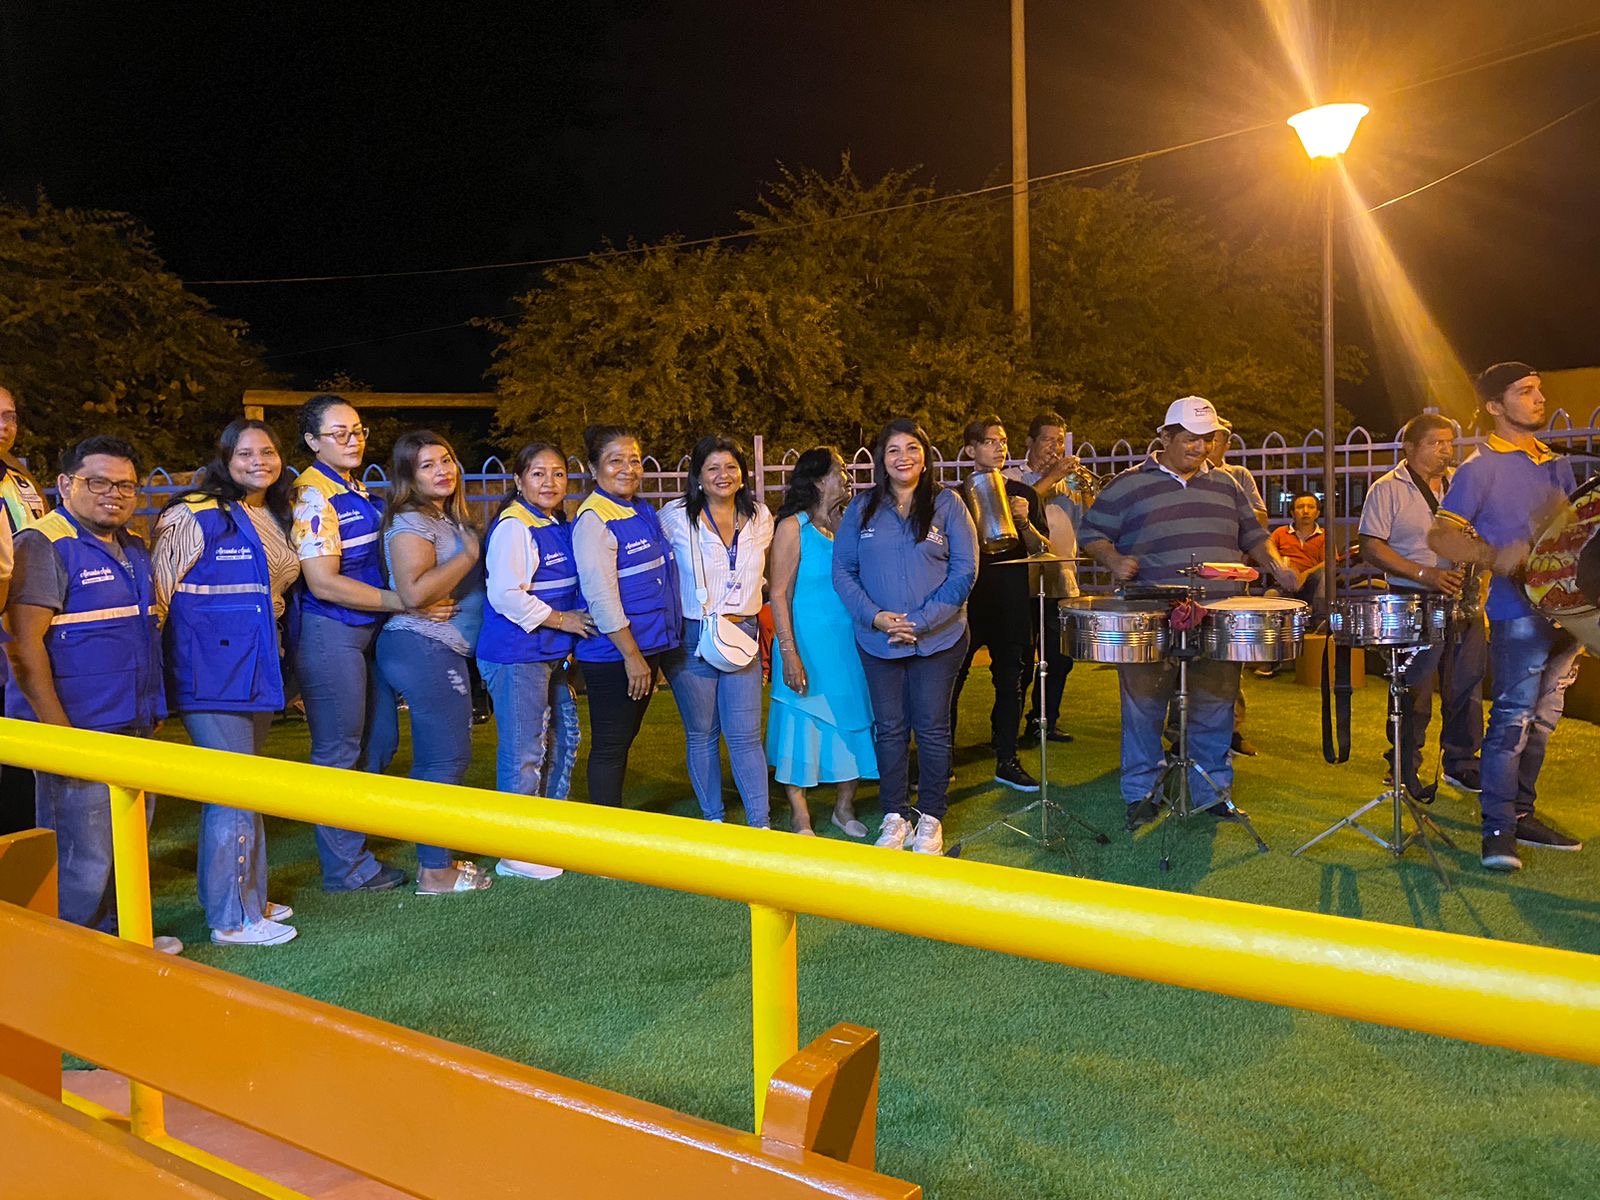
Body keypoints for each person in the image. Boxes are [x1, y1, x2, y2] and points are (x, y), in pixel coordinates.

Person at [1078, 397, 1298, 832]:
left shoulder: (1227, 484)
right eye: (1191, 439)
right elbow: (1091, 532)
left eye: (1207, 439)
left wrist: (1276, 565)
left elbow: (1253, 535)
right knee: (1143, 705)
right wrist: (1114, 560)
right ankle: (1141, 793)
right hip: (1149, 610)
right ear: (1165, 437)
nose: (1200, 448)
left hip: (1217, 610)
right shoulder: (1128, 483)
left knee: (1216, 702)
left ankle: (1212, 792)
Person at [3, 436, 182, 953]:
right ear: (65, 484)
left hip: (132, 720)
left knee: (125, 842)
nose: (114, 494)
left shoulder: (132, 545)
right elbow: (23, 646)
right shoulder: (44, 544)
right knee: (83, 855)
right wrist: (59, 734)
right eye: (98, 482)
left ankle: (120, 942)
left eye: (125, 485)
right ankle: (76, 957)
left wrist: (152, 706)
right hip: (79, 728)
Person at [152, 420, 303, 945]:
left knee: (242, 788)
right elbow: (159, 597)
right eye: (245, 453)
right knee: (233, 793)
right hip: (212, 673)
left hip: (255, 665)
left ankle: (245, 894)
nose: (259, 461)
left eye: (268, 451)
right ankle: (234, 918)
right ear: (224, 459)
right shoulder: (193, 514)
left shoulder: (269, 512)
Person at [1428, 363, 1583, 871]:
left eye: (1539, 389)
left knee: (1544, 719)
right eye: (1525, 391)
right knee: (1513, 720)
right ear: (1495, 406)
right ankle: (1497, 830)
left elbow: (1573, 533)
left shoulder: (1557, 464)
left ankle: (1521, 814)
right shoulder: (1480, 467)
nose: (1539, 398)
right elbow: (1441, 536)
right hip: (1516, 612)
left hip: (1569, 612)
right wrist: (1495, 557)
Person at [833, 418, 978, 855]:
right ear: (881, 459)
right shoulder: (862, 509)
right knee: (891, 730)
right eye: (893, 450)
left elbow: (964, 571)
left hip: (939, 639)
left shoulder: (948, 504)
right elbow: (843, 572)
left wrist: (921, 621)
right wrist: (877, 618)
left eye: (912, 448)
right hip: (878, 640)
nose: (903, 458)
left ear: (925, 456)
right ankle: (895, 814)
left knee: (932, 728)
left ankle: (931, 816)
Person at [290, 393, 412, 894]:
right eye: (338, 433)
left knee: (379, 740)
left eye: (357, 430)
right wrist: (403, 601)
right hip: (331, 631)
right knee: (338, 749)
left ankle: (352, 836)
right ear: (312, 441)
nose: (352, 440)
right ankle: (346, 868)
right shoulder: (311, 494)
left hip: (368, 632)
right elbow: (323, 582)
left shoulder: (353, 487)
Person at [368, 431, 493, 896]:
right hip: (422, 645)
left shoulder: (446, 517)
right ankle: (434, 872)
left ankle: (437, 857)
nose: (442, 470)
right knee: (444, 759)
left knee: (444, 757)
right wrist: (468, 555)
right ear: (408, 476)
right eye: (427, 465)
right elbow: (414, 592)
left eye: (446, 460)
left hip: (439, 646)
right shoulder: (409, 521)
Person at [478, 442, 594, 875]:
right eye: (538, 473)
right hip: (516, 655)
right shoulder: (515, 526)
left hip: (547, 654)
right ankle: (516, 852)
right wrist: (564, 621)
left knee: (564, 737)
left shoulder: (554, 522)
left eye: (558, 473)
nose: (550, 482)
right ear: (518, 480)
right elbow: (505, 595)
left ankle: (546, 831)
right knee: (523, 750)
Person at [1358, 412, 1485, 795]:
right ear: (1410, 448)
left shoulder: (1459, 484)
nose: (1446, 450)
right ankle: (1403, 765)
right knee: (1414, 688)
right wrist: (1424, 573)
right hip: (1413, 597)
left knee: (1467, 685)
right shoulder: (1387, 488)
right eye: (1436, 443)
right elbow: (1371, 546)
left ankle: (1462, 763)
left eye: (1449, 442)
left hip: (1462, 596)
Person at [660, 435, 775, 828]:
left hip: (742, 632)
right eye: (712, 468)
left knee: (745, 735)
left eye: (730, 467)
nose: (722, 475)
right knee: (702, 733)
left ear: (742, 474)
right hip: (693, 635)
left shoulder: (760, 517)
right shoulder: (675, 516)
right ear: (697, 476)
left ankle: (760, 824)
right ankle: (714, 820)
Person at [767, 447, 878, 836]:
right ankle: (800, 813)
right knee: (801, 723)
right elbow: (778, 593)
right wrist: (789, 653)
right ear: (817, 480)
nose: (847, 476)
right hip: (804, 644)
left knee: (852, 717)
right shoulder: (792, 528)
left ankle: (844, 808)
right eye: (840, 470)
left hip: (848, 644)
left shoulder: (850, 524)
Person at [571, 425, 682, 807]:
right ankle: (606, 830)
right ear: (593, 468)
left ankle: (613, 822)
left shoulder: (641, 509)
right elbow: (602, 598)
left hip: (645, 649)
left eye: (634, 460)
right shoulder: (594, 519)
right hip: (614, 655)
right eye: (615, 460)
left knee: (622, 739)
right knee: (610, 744)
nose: (627, 468)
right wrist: (632, 656)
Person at [950, 416, 1046, 791]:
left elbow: (1042, 550)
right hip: (967, 602)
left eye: (1003, 441)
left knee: (1012, 681)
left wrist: (1024, 523)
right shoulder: (952, 498)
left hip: (1010, 600)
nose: (1000, 448)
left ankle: (1006, 759)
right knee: (951, 680)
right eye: (991, 442)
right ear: (970, 449)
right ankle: (941, 760)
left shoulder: (1024, 494)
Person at [1003, 411, 1083, 745]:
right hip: (1021, 580)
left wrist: (1084, 490)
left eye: (1059, 441)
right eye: (1047, 440)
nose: (1054, 447)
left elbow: (1090, 523)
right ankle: (1006, 727)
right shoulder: (1011, 477)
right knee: (1020, 659)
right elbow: (1015, 509)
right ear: (1030, 442)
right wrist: (1052, 477)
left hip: (1061, 578)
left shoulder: (1069, 482)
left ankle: (1044, 721)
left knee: (1059, 658)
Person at [0, 385, 49, 835]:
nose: (4, 426)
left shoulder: (20, 478)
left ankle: (21, 842)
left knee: (20, 742)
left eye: (10, 415)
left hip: (23, 626)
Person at [1202, 418, 1266, 747]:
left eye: (1216, 440)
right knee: (1187, 656)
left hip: (1229, 579)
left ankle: (1232, 729)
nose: (1209, 445)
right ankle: (1180, 732)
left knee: (1229, 656)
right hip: (1194, 580)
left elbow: (1259, 519)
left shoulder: (1238, 475)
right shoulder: (1186, 475)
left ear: (1227, 444)